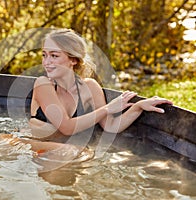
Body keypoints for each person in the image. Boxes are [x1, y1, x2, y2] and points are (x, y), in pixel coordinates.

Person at [26, 28, 173, 155]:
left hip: (62, 152)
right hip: (29, 148)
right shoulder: (43, 85)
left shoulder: (90, 87)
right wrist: (108, 108)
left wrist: (138, 106)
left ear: (73, 60)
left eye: (54, 56)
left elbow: (110, 126)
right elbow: (67, 127)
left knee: (77, 154)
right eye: (44, 55)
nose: (46, 62)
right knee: (77, 152)